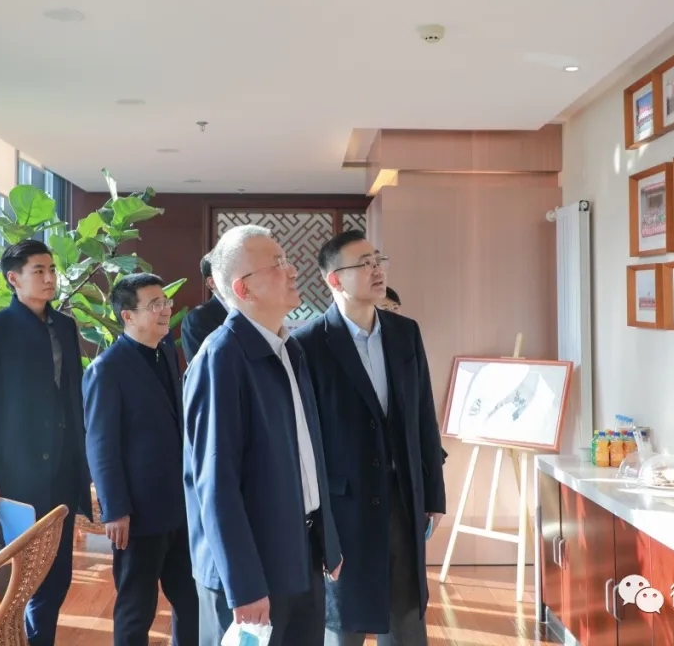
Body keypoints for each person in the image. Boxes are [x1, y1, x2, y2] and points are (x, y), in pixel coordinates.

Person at [182, 224, 343, 646]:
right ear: (243, 288)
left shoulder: (289, 348)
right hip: (252, 570)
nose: (292, 270)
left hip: (300, 552)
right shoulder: (221, 358)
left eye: (287, 260)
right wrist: (244, 583)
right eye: (277, 264)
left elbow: (309, 454)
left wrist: (328, 543)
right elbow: (215, 484)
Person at [292, 230, 446, 646]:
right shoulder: (307, 344)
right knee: (344, 624)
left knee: (407, 621)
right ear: (334, 279)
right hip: (343, 507)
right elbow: (305, 439)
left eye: (379, 261)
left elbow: (423, 417)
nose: (377, 270)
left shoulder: (404, 333)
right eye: (364, 264)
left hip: (402, 499)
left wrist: (433, 494)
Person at [0, 239, 92, 646]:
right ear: (13, 279)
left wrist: (84, 467)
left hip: (62, 470)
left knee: (55, 574)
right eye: (39, 270)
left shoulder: (66, 327)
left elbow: (73, 399)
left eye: (52, 269)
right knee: (6, 578)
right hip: (14, 475)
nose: (50, 278)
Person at [83, 273, 200, 646]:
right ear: (128, 315)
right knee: (137, 608)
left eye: (165, 302)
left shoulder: (166, 352)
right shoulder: (107, 369)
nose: (165, 310)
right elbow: (100, 445)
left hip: (181, 505)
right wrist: (115, 509)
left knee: (192, 602)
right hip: (138, 513)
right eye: (155, 305)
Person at [180, 252, 229, 363]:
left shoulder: (253, 310)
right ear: (212, 282)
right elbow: (201, 366)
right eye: (230, 274)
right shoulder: (197, 318)